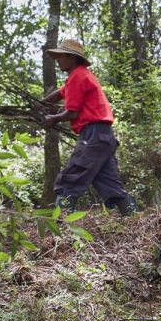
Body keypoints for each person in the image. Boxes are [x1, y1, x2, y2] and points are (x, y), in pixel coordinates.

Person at [41, 39, 137, 216]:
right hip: (104, 137)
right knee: (110, 185)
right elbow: (61, 92)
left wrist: (53, 119)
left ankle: (62, 229)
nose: (58, 60)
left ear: (71, 57)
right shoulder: (80, 75)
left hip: (93, 135)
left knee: (69, 180)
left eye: (60, 56)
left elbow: (72, 113)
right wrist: (42, 103)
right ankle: (135, 219)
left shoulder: (78, 76)